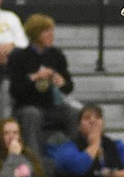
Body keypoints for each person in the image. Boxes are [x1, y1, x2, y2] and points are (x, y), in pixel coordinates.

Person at [7, 13, 77, 154]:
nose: (52, 34)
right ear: (35, 34)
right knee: (32, 115)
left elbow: (69, 87)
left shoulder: (56, 55)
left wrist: (62, 82)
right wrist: (34, 78)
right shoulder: (19, 57)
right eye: (47, 31)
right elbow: (15, 90)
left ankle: (75, 155)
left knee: (75, 113)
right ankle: (34, 160)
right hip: (26, 105)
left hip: (51, 105)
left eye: (52, 31)